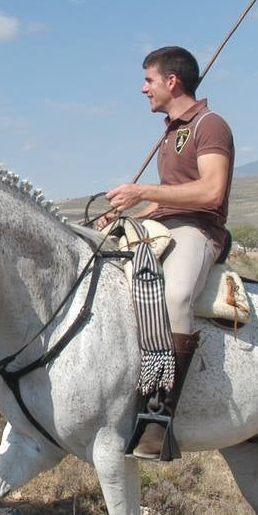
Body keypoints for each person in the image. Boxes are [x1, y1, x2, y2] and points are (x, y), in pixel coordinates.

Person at [104, 46, 234, 462]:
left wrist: (142, 190)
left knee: (175, 296)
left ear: (171, 81)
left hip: (199, 231)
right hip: (167, 224)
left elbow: (211, 191)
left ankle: (159, 416)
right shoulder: (170, 130)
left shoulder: (210, 126)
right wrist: (128, 214)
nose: (144, 89)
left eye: (149, 80)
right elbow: (169, 202)